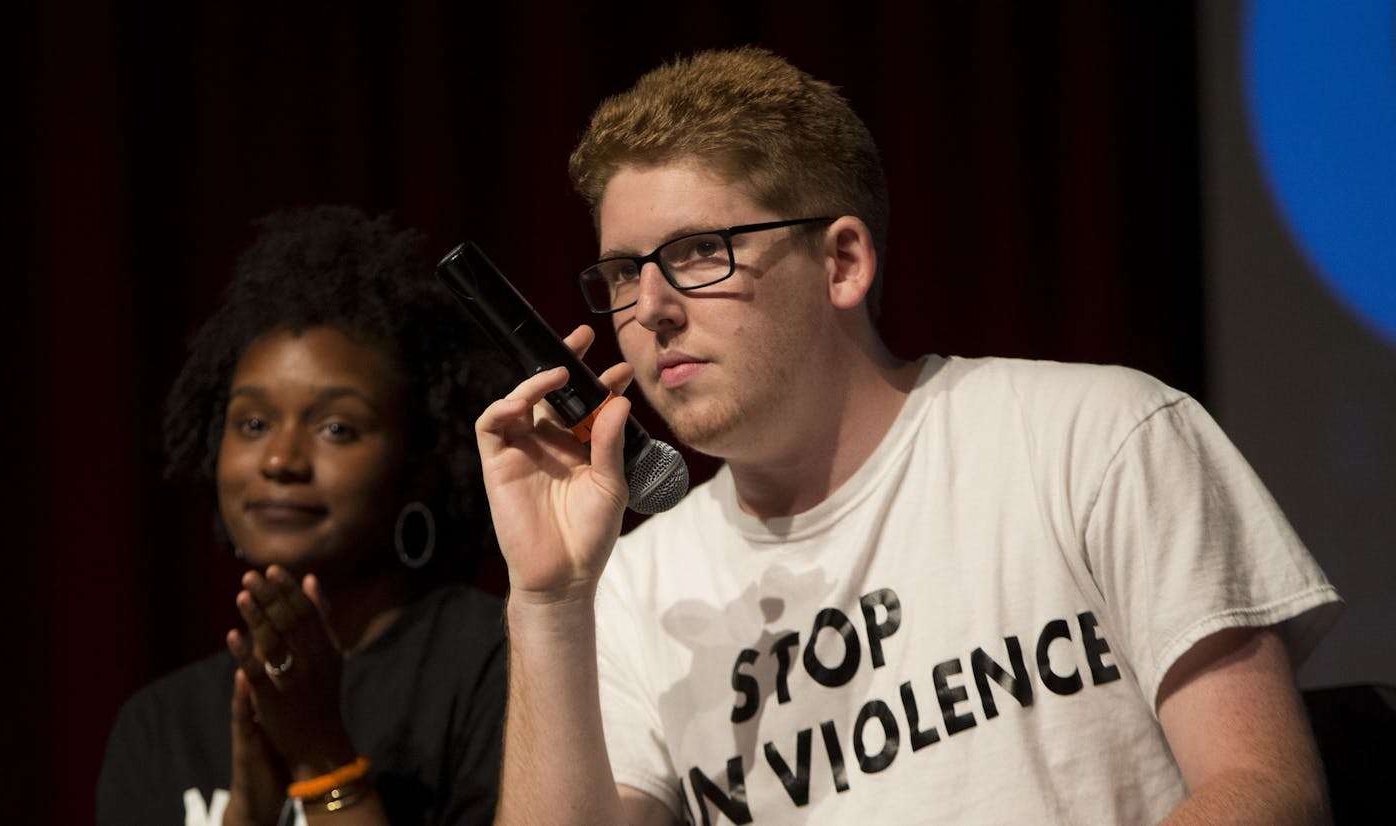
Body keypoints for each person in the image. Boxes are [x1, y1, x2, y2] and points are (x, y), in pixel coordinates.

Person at [476, 47, 1343, 825]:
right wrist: (549, 601)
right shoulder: (634, 587)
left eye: (700, 252)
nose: (652, 307)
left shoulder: (1094, 438)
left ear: (842, 262)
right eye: (624, 272)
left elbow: (1266, 787)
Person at [97, 206, 507, 826]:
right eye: (253, 424)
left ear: (422, 461)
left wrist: (323, 762)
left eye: (337, 428)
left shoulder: (496, 663)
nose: (282, 459)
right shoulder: (160, 725)